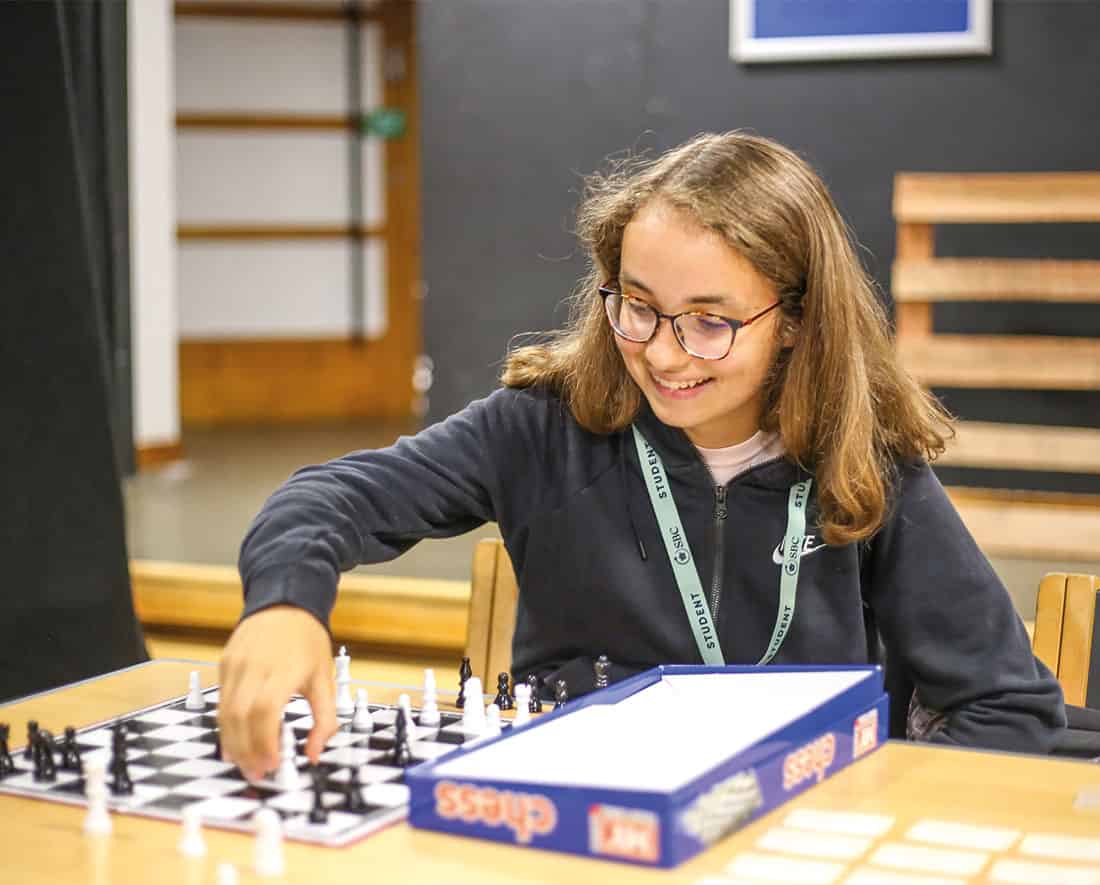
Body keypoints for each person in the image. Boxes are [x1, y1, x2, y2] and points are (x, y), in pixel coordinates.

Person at [217, 131, 1065, 780]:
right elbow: (328, 500)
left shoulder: (864, 461)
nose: (663, 353)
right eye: (638, 306)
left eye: (709, 320)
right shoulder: (539, 428)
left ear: (798, 320)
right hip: (583, 827)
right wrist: (285, 606)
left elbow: (1008, 704)